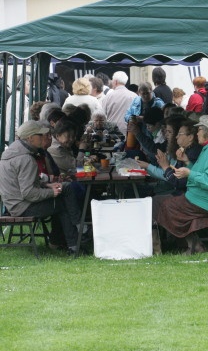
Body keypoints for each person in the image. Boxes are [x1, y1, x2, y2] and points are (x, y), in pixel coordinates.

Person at [152, 115, 208, 255]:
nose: (197, 132)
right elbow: (204, 174)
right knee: (164, 202)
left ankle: (194, 246)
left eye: (199, 130)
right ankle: (191, 244)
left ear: (207, 132)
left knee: (166, 205)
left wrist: (189, 173)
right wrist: (187, 162)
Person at [0, 121, 83, 255]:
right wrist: (51, 192)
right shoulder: (26, 159)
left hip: (14, 204)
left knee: (66, 190)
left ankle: (75, 238)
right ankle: (77, 239)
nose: (45, 137)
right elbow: (28, 193)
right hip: (23, 206)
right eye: (41, 135)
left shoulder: (13, 152)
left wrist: (47, 185)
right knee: (63, 204)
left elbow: (24, 183)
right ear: (30, 137)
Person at [102, 71, 137, 136]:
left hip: (112, 134)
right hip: (131, 133)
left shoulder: (108, 97)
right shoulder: (134, 96)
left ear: (115, 81)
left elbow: (103, 116)